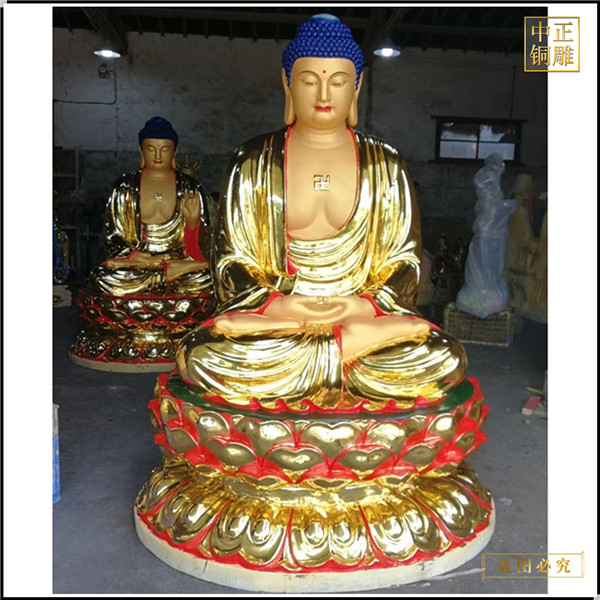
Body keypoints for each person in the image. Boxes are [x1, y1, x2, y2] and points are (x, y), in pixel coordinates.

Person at [176, 15, 467, 412]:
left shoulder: (386, 164)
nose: (324, 94)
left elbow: (403, 262)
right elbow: (231, 260)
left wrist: (361, 305)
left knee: (444, 356)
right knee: (200, 354)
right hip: (280, 313)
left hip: (361, 312)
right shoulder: (254, 161)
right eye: (309, 81)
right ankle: (345, 352)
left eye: (339, 82)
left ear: (357, 86)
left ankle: (327, 353)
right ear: (287, 84)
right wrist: (280, 305)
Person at [89, 116, 211, 296]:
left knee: (209, 277)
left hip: (178, 260)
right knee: (102, 277)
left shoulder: (190, 187)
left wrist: (193, 224)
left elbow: (205, 245)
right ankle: (167, 276)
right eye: (151, 149)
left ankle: (166, 275)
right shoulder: (125, 187)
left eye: (165, 149)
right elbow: (114, 237)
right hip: (139, 263)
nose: (158, 156)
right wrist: (136, 257)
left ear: (175, 151)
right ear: (141, 150)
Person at [456, 153, 517, 318]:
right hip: (486, 235)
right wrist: (508, 205)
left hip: (492, 236)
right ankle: (481, 295)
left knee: (492, 266)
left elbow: (493, 212)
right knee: (482, 265)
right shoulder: (485, 184)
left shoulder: (493, 189)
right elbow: (489, 213)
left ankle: (486, 294)